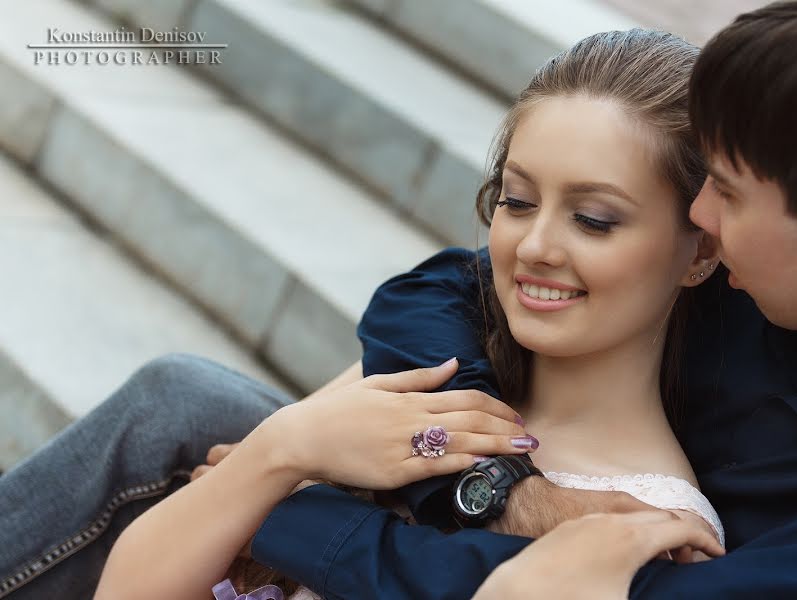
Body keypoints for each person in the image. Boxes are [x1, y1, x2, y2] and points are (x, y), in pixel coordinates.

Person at [237, 1, 797, 599]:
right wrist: (500, 486)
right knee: (181, 397)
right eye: (517, 200)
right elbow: (436, 291)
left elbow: (618, 592)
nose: (702, 210)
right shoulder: (753, 281)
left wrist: (277, 501)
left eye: (727, 190)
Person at [94, 27, 727, 600]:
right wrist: (284, 447)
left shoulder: (650, 526)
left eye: (594, 219)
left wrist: (282, 499)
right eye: (518, 201)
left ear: (699, 250)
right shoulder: (440, 373)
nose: (534, 248)